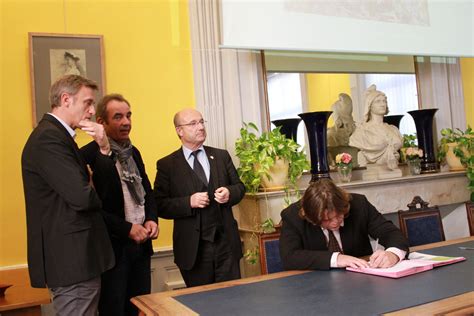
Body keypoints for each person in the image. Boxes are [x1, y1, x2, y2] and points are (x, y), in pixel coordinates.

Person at [21, 75, 115, 315]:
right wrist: (91, 179)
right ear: (65, 99)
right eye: (88, 103)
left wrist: (103, 149)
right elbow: (84, 198)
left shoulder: (58, 137)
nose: (93, 111)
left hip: (77, 259)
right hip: (71, 261)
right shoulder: (49, 139)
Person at [81, 94, 159, 315]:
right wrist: (127, 229)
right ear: (101, 122)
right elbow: (92, 208)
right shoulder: (87, 155)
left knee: (138, 308)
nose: (126, 122)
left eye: (128, 115)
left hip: (141, 247)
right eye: (118, 117)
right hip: (111, 250)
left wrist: (152, 218)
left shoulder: (133, 152)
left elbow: (148, 192)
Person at [154, 109, 245, 287]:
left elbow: (240, 187)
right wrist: (189, 202)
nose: (200, 127)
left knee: (233, 302)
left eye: (202, 122)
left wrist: (229, 193)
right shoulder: (167, 165)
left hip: (226, 245)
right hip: (193, 251)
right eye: (193, 123)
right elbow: (159, 204)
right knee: (201, 304)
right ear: (179, 130)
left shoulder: (221, 156)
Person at [279, 178, 409, 270]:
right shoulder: (292, 216)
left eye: (339, 215)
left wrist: (393, 254)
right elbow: (289, 257)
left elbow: (392, 233)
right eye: (327, 220)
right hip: (315, 290)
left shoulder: (359, 205)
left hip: (362, 284)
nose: (335, 222)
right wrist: (337, 259)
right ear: (311, 217)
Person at [349, 84, 403, 170]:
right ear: (369, 105)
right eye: (378, 101)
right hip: (374, 172)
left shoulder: (393, 129)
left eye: (384, 101)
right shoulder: (362, 131)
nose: (382, 104)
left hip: (394, 171)